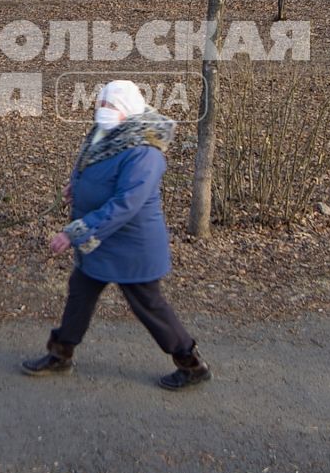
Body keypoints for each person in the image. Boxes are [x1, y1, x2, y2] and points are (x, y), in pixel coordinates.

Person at [21, 80, 212, 390]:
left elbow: (126, 204)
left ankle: (191, 363)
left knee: (149, 306)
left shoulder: (144, 152)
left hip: (132, 247)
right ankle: (60, 354)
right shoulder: (106, 133)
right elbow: (88, 165)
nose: (101, 110)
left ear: (125, 110)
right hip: (100, 244)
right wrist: (76, 185)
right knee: (79, 293)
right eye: (101, 103)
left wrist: (75, 232)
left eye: (108, 105)